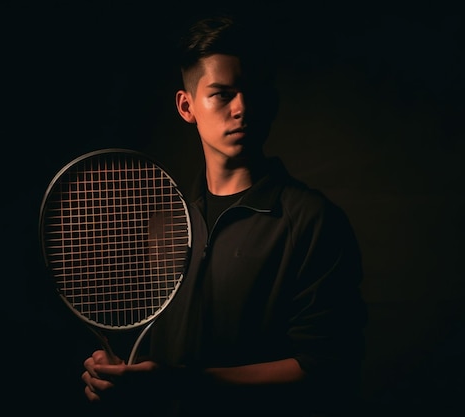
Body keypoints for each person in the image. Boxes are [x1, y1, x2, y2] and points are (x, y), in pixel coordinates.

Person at [81, 11, 366, 416]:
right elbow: (161, 353)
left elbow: (327, 368)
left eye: (252, 90)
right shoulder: (167, 223)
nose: (241, 108)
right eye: (222, 93)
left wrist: (184, 383)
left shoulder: (312, 220)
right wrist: (119, 377)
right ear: (186, 106)